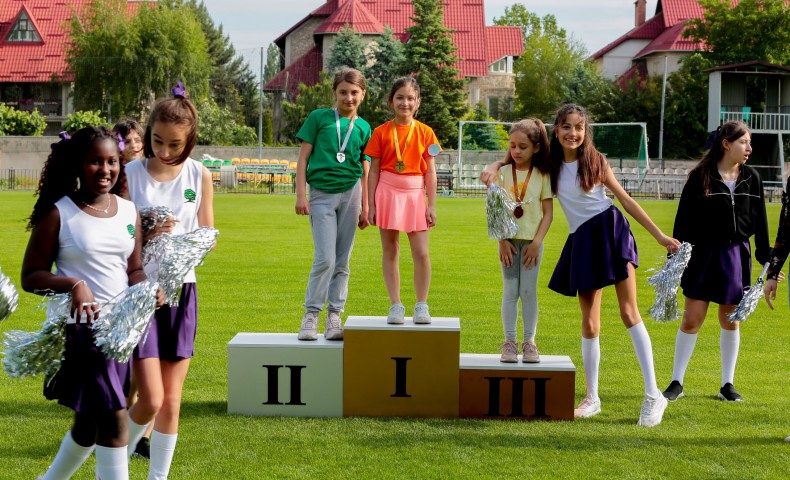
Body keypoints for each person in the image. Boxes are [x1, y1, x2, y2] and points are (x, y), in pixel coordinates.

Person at [481, 104, 679, 427]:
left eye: (579, 127)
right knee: (589, 323)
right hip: (582, 240)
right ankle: (592, 398)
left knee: (629, 312)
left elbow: (625, 200)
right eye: (566, 127)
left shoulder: (595, 161)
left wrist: (659, 236)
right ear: (555, 130)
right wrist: (492, 163)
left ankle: (653, 394)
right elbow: (510, 159)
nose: (573, 133)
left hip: (610, 232)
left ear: (586, 132)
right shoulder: (549, 165)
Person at [21, 126, 158, 479]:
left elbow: (135, 269)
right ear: (78, 166)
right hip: (83, 333)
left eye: (112, 161)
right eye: (95, 161)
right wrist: (73, 285)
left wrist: (148, 289)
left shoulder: (129, 212)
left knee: (87, 423)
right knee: (114, 420)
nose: (105, 169)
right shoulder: (60, 214)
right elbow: (32, 275)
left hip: (122, 335)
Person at [124, 83, 214, 479]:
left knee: (171, 402)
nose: (163, 150)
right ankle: (113, 459)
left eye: (174, 144)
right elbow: (115, 234)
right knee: (148, 398)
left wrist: (178, 249)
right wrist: (146, 229)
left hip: (182, 293)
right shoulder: (129, 173)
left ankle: (157, 477)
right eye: (157, 141)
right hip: (139, 295)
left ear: (190, 138)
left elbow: (208, 235)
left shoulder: (200, 174)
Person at [661, 122, 769, 403]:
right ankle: (676, 382)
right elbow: (682, 222)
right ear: (725, 144)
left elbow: (761, 222)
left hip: (736, 256)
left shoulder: (753, 178)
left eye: (750, 143)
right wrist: (673, 262)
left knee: (730, 320)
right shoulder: (699, 177)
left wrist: (766, 256)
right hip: (702, 256)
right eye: (744, 142)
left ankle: (727, 385)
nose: (749, 148)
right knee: (692, 319)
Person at [295, 67, 372, 341]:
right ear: (334, 93)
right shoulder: (319, 118)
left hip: (351, 193)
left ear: (363, 94)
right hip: (321, 195)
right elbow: (303, 158)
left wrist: (366, 206)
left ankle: (334, 316)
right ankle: (311, 315)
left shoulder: (364, 127)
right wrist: (301, 194)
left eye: (354, 92)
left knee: (342, 261)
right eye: (343, 92)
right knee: (325, 258)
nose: (348, 98)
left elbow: (365, 167)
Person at [365, 76, 439, 325]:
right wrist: (371, 204)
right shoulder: (381, 132)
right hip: (387, 192)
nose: (405, 103)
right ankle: (395, 304)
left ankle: (421, 304)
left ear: (418, 102)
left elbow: (430, 171)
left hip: (415, 194)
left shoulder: (426, 132)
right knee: (391, 250)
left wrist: (432, 205)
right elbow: (373, 169)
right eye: (400, 97)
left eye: (410, 98)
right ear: (391, 101)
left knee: (421, 253)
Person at [491, 119, 554, 363]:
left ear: (536, 148)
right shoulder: (504, 173)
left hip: (531, 245)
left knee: (528, 292)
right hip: (508, 243)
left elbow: (548, 213)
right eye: (513, 145)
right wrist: (502, 240)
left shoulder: (542, 175)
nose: (516, 151)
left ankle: (530, 342)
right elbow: (495, 210)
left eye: (523, 146)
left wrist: (537, 242)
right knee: (510, 291)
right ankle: (509, 344)